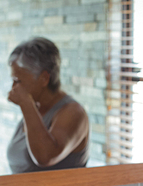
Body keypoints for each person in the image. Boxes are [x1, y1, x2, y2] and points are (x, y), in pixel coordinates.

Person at [6, 37, 90, 173]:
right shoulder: (35, 110)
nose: (14, 87)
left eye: (18, 81)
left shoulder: (74, 112)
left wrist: (26, 103)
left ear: (44, 78)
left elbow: (45, 157)